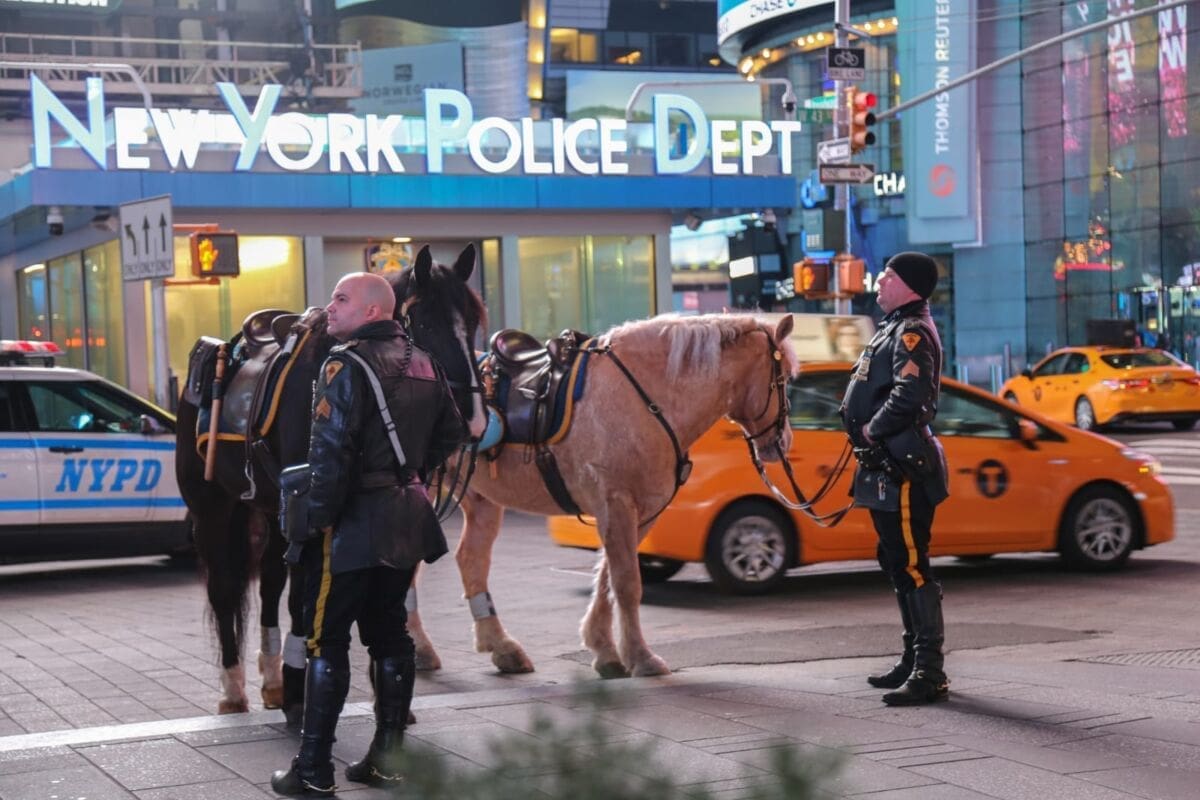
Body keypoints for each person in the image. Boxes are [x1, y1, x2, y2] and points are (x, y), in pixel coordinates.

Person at [271, 273, 466, 796]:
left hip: (351, 523)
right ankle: (387, 760)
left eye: (341, 299)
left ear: (375, 311)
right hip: (407, 517)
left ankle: (312, 768)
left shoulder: (344, 363)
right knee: (390, 634)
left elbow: (329, 453)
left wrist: (316, 522)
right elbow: (453, 431)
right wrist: (407, 475)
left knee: (324, 637)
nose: (328, 308)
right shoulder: (426, 362)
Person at [840, 252, 950, 706]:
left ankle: (930, 671)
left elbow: (910, 395)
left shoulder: (911, 331)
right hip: (886, 467)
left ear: (908, 285)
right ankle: (912, 660)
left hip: (904, 467)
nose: (878, 282)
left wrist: (872, 428)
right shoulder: (894, 326)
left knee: (910, 564)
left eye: (886, 276)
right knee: (895, 561)